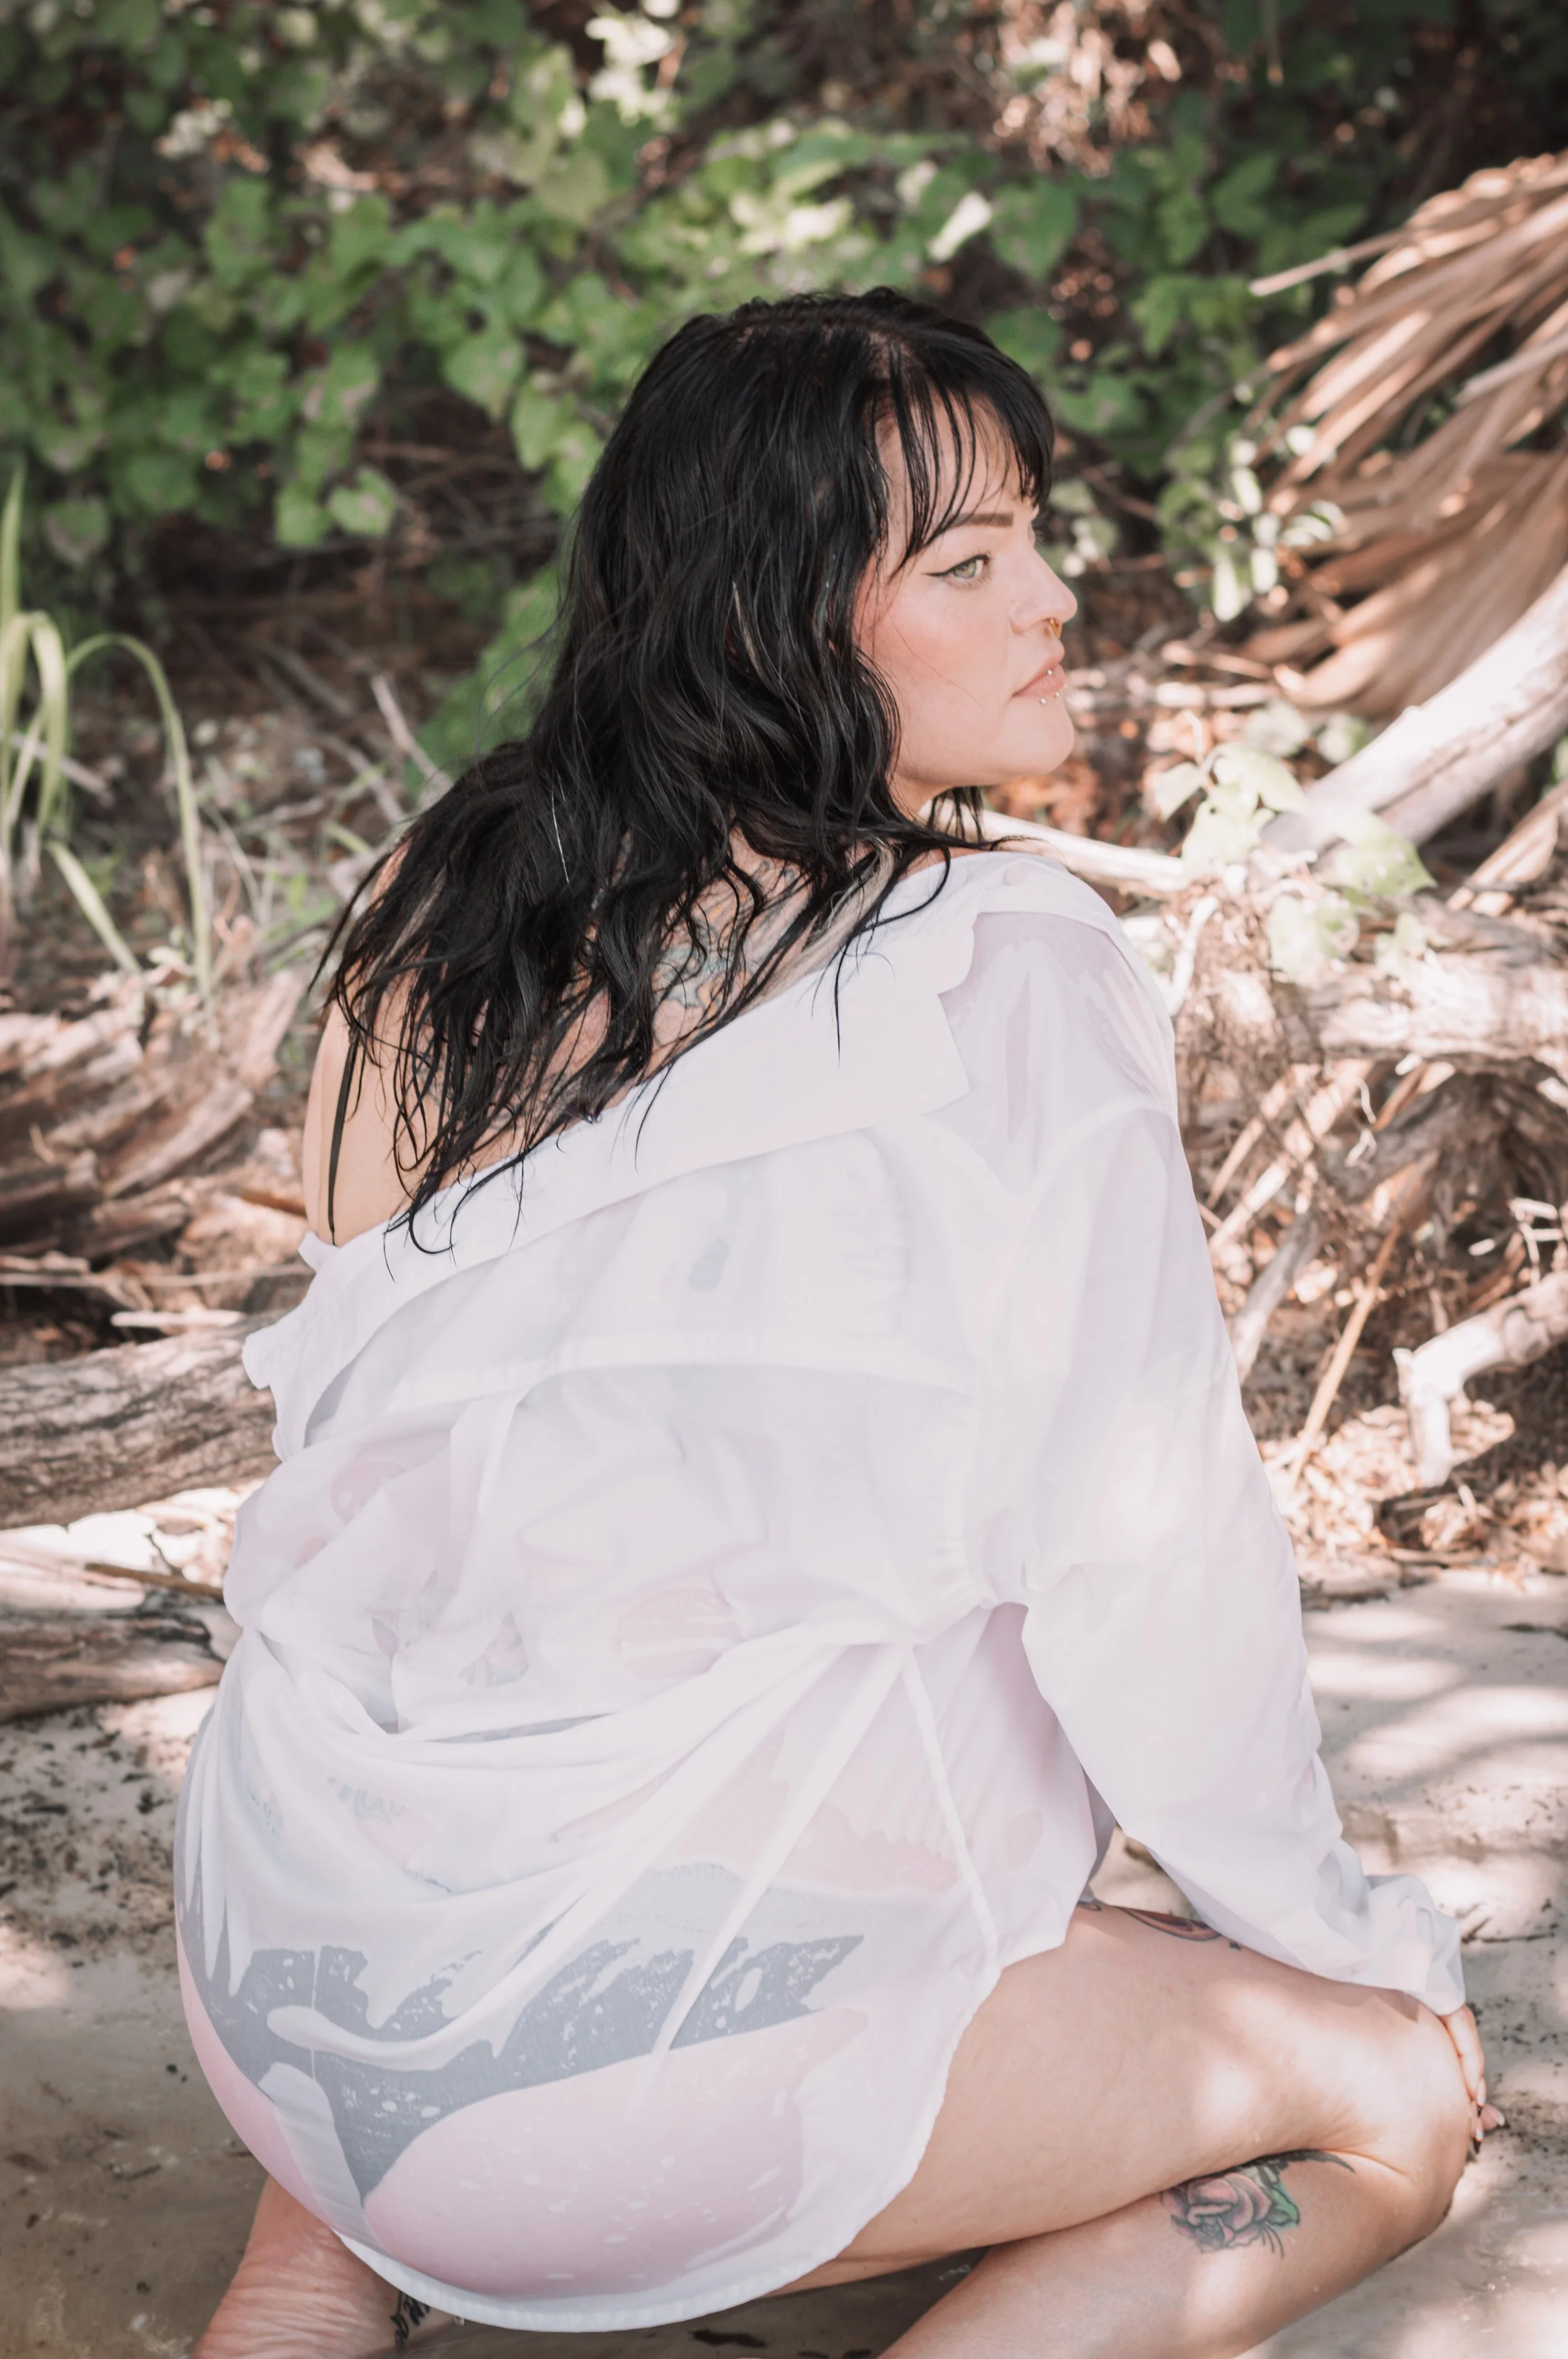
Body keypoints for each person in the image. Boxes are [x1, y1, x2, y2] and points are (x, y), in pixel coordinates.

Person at [180, 289, 1495, 2359]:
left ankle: (313, 2271)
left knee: (556, 1670)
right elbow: (1144, 1562)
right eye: (967, 566)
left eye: (1035, 534)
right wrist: (1349, 1947)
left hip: (296, 2007)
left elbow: (387, 1501)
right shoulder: (1006, 963)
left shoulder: (442, 904)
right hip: (648, 2115)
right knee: (1394, 2109)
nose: (1056, 601)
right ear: (771, 619)